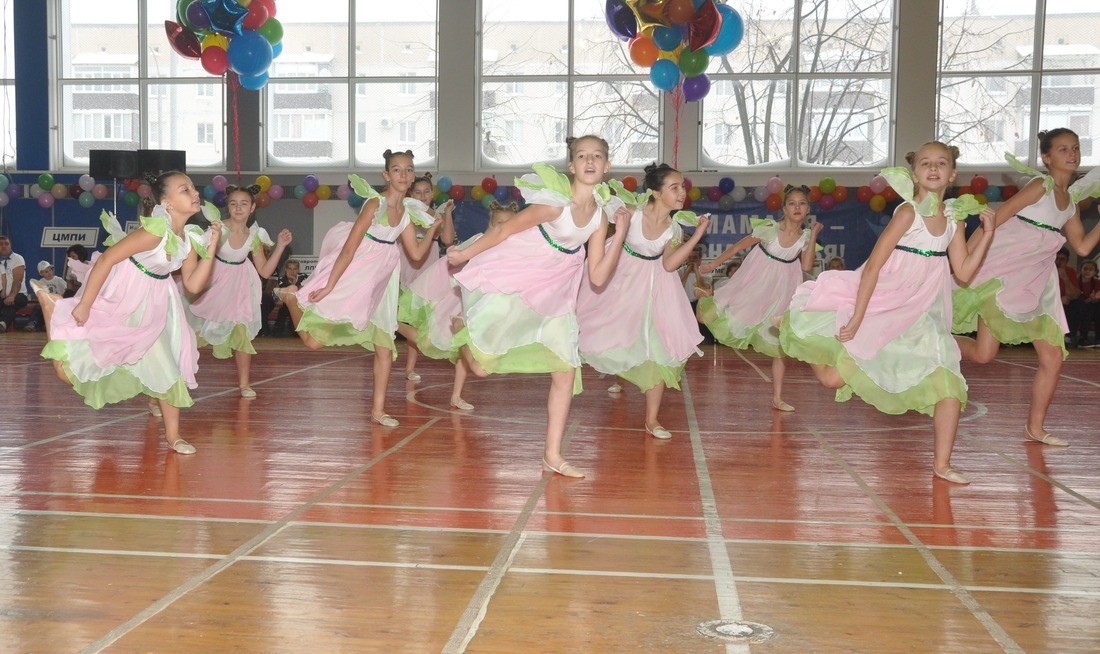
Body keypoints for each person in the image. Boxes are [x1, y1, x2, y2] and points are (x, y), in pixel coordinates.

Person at [781, 142, 997, 484]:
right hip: (885, 302)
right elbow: (873, 268)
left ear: (952, 174)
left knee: (949, 384)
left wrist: (988, 234)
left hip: (925, 312)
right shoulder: (907, 214)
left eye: (942, 163)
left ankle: (943, 464)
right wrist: (857, 317)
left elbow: (965, 272)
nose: (934, 168)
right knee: (833, 378)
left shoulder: (954, 219)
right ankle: (800, 331)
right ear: (915, 174)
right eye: (926, 162)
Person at [447, 135, 631, 478]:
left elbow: (598, 276)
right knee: (482, 370)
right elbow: (504, 232)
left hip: (559, 288)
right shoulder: (554, 205)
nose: (589, 162)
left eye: (597, 157)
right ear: (572, 166)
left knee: (565, 370)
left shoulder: (600, 218)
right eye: (582, 156)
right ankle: (462, 328)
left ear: (607, 166)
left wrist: (619, 235)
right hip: (523, 274)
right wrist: (465, 253)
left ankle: (552, 454)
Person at [33, 171, 223, 454]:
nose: (194, 193)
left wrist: (213, 245)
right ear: (167, 202)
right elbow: (108, 259)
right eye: (184, 189)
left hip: (158, 302)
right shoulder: (153, 232)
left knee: (168, 366)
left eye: (193, 187)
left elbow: (194, 283)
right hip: (125, 296)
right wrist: (84, 304)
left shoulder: (190, 237)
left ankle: (174, 437)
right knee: (78, 366)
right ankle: (55, 310)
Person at [953, 128, 1100, 447]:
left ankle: (1035, 427)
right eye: (1063, 149)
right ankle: (935, 340)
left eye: (1075, 148)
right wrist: (965, 258)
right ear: (1047, 158)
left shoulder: (1070, 204)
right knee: (983, 355)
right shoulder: (1040, 186)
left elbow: (1084, 247)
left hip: (1037, 283)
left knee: (1053, 358)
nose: (1072, 154)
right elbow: (996, 218)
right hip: (1005, 272)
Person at [277, 149, 442, 427]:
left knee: (384, 346)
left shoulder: (405, 213)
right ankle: (291, 299)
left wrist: (434, 228)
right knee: (314, 342)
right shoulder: (374, 205)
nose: (404, 175)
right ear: (386, 175)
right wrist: (330, 285)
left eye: (409, 169)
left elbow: (415, 254)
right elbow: (349, 249)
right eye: (398, 170)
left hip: (381, 280)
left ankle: (378, 411)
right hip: (354, 273)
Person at [576, 163, 708, 440]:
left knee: (660, 348)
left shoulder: (674, 228)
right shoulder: (632, 213)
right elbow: (596, 206)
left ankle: (652, 419)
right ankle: (618, 372)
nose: (681, 192)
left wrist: (696, 234)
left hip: (657, 287)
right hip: (621, 281)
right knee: (613, 334)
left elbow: (670, 264)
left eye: (682, 187)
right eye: (674, 187)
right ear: (657, 193)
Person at [699, 185, 823, 412]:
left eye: (802, 203)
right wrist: (714, 264)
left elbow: (806, 266)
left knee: (780, 345)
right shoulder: (769, 228)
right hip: (757, 280)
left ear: (808, 209)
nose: (797, 207)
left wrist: (813, 235)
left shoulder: (805, 238)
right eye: (792, 203)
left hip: (783, 287)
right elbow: (738, 246)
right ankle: (706, 295)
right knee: (714, 313)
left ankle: (777, 398)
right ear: (784, 208)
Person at [400, 201, 517, 411]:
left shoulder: (513, 247)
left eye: (508, 224)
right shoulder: (481, 241)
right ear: (490, 223)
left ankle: (456, 396)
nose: (503, 229)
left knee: (465, 350)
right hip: (466, 301)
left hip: (484, 305)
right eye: (499, 223)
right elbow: (457, 258)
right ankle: (390, 324)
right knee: (433, 340)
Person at [185, 184, 292, 398]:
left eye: (244, 204)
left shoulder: (255, 235)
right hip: (215, 281)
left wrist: (280, 246)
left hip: (242, 285)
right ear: (228, 207)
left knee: (242, 333)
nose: (238, 208)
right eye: (233, 203)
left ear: (252, 208)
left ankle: (244, 384)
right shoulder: (217, 229)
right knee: (195, 332)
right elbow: (195, 254)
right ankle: (180, 377)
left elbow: (264, 270)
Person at [396, 172, 457, 382]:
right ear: (411, 194)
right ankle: (388, 329)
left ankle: (410, 368)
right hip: (407, 270)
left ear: (432, 193)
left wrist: (447, 213)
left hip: (427, 275)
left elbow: (448, 240)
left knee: (419, 323)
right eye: (418, 192)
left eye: (426, 192)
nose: (422, 197)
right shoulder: (404, 213)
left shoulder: (435, 215)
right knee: (403, 319)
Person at [25, 261, 67, 331]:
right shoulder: (41, 282)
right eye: (46, 272)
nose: (49, 273)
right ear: (41, 274)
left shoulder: (59, 280)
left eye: (50, 270)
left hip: (58, 303)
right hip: (47, 303)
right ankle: (32, 323)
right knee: (38, 308)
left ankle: (50, 324)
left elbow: (66, 290)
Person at [271, 259, 308, 335]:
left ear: (298, 269)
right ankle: (278, 329)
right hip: (286, 304)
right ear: (286, 269)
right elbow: (285, 293)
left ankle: (297, 330)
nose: (292, 271)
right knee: (284, 307)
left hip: (300, 303)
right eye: (290, 269)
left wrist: (294, 280)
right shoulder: (282, 279)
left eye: (295, 269)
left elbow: (301, 291)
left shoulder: (303, 277)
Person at [0, 235, 28, 333]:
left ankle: (3, 323)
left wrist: (12, 295)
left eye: (6, 244)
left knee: (10, 302)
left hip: (19, 294)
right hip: (2, 293)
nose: (3, 246)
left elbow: (18, 280)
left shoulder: (17, 258)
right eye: (1, 244)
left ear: (10, 246)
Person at [1069, 259, 1099, 346]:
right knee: (1086, 308)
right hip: (1078, 308)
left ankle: (1098, 338)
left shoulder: (1098, 283)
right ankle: (1083, 338)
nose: (1088, 271)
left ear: (1095, 272)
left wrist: (1095, 299)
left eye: (1091, 269)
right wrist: (1088, 300)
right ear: (1080, 270)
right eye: (1085, 269)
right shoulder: (1074, 282)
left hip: (1094, 309)